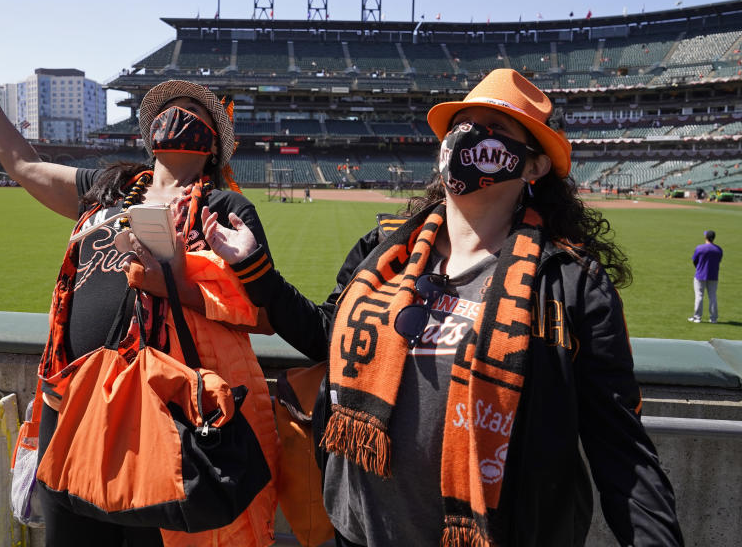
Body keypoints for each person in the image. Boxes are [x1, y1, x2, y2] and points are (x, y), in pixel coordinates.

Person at [203, 69, 683, 546]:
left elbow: (622, 451)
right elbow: (325, 337)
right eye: (460, 125)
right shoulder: (382, 253)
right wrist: (254, 268)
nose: (468, 137)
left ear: (534, 166)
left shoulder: (570, 284)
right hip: (359, 533)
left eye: (494, 130)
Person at [0, 42, 278, 547]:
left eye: (193, 114)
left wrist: (165, 275)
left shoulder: (224, 207)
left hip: (159, 415)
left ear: (212, 144)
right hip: (74, 404)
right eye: (169, 112)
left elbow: (255, 308)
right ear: (150, 136)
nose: (178, 117)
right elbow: (26, 167)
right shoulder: (108, 186)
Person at [689, 230, 722, 324]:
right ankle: (713, 318)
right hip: (713, 275)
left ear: (706, 237)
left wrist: (699, 268)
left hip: (700, 275)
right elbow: (719, 261)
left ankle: (697, 317)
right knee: (713, 296)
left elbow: (695, 260)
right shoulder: (718, 249)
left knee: (699, 296)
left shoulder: (700, 248)